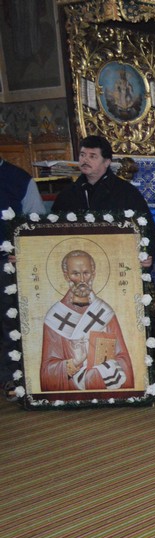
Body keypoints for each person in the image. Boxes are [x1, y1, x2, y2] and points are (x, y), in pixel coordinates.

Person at [53, 135, 155, 267]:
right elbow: (54, 230)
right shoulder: (67, 194)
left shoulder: (126, 192)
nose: (85, 160)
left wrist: (147, 254)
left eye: (92, 156)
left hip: (116, 262)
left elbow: (148, 229)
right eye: (82, 155)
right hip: (79, 264)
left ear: (107, 162)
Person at [40, 250, 134, 391]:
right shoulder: (55, 317)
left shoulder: (104, 312)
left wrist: (101, 370)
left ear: (93, 274)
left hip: (101, 381)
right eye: (75, 274)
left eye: (86, 273)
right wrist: (74, 363)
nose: (82, 279)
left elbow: (123, 358)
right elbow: (47, 372)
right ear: (66, 276)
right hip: (72, 383)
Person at [0, 155, 46, 395]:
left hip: (6, 261)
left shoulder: (19, 179)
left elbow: (35, 220)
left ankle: (9, 376)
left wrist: (23, 251)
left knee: (8, 320)